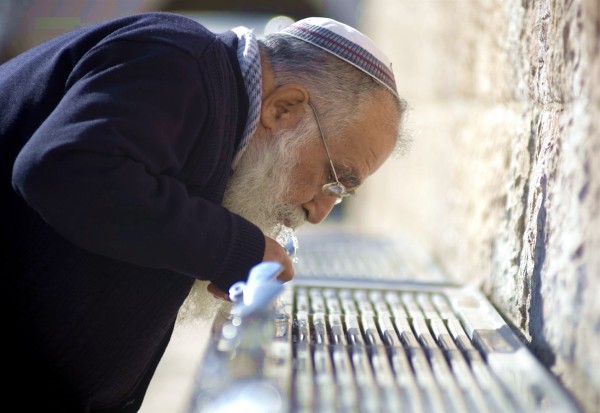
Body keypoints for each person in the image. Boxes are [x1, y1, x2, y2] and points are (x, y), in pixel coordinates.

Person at [0, 11, 407, 413]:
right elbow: (66, 169)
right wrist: (233, 248)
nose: (319, 213)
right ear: (284, 109)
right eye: (333, 178)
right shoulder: (174, 60)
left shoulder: (210, 92)